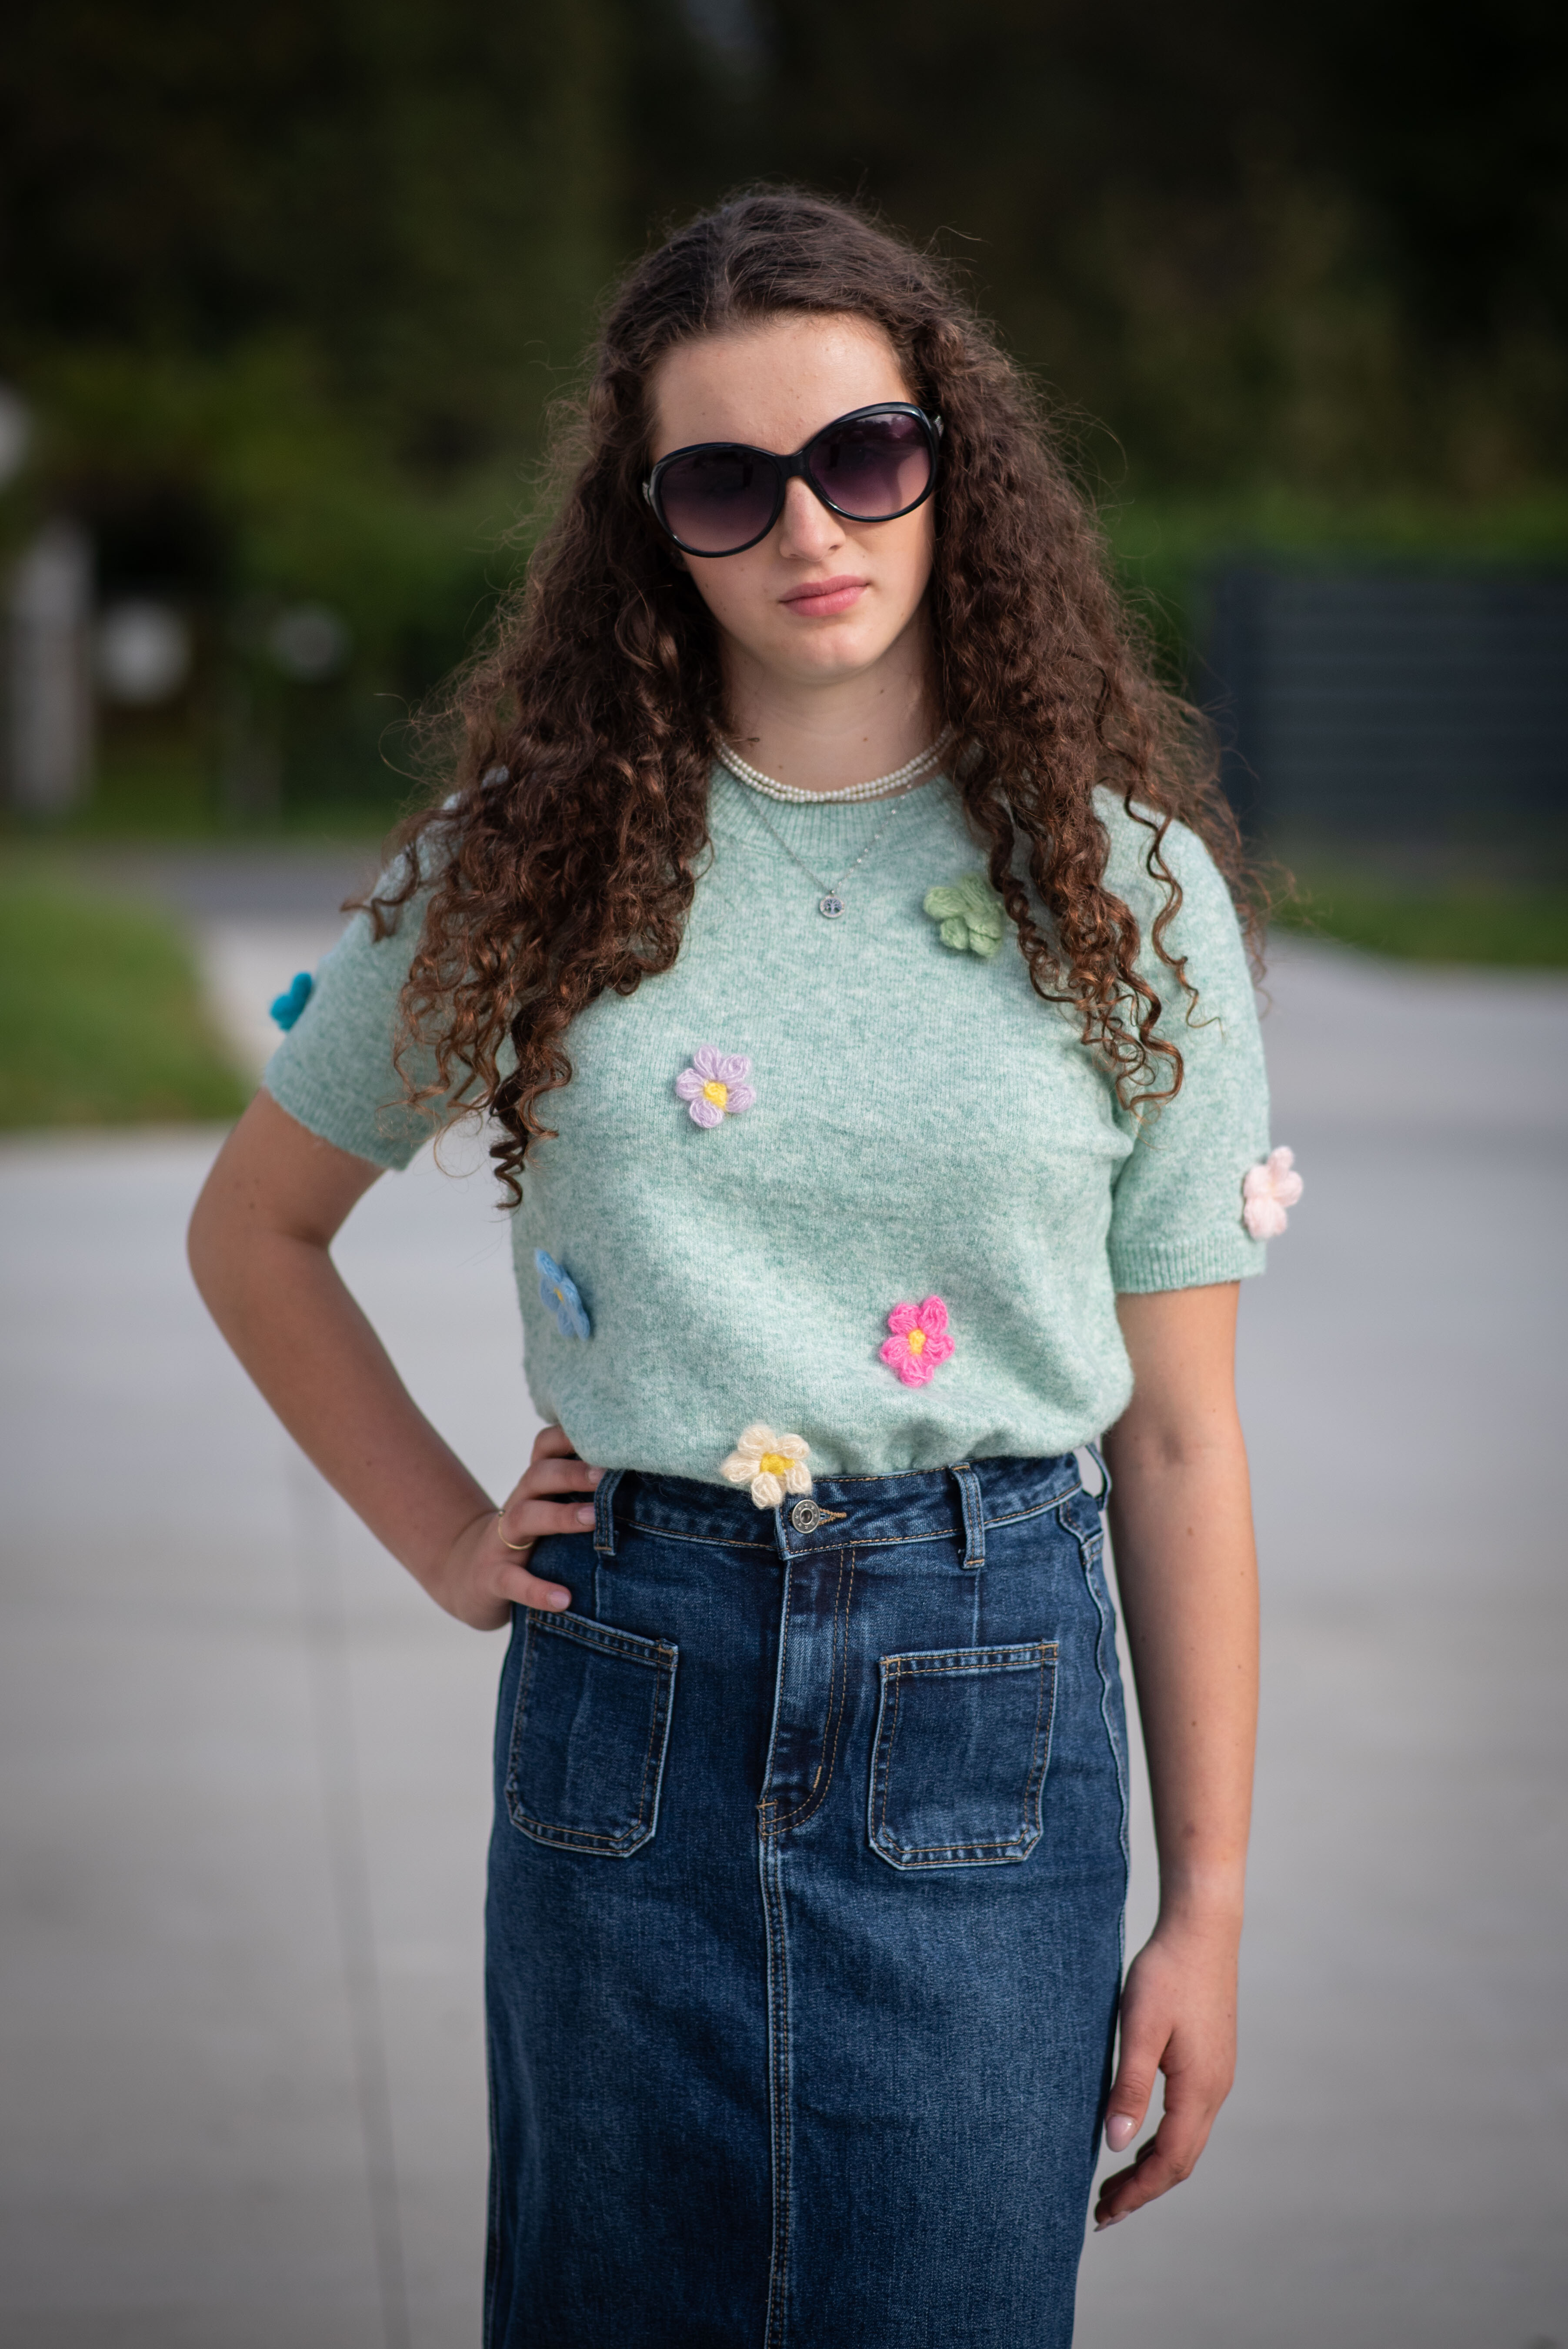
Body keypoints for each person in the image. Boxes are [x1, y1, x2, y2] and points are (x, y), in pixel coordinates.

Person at [189, 188, 1292, 2349]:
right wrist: (440, 1534)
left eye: (862, 455)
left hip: (990, 1706)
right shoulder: (524, 864)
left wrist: (1212, 1903)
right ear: (650, 526)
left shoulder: (1128, 893)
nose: (809, 526)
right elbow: (256, 1229)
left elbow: (1176, 1437)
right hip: (630, 1688)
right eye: (724, 482)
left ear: (949, 459)